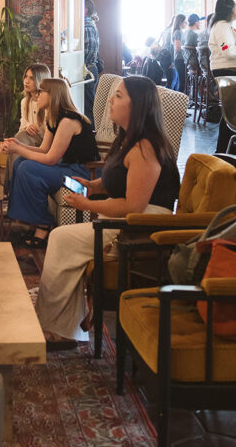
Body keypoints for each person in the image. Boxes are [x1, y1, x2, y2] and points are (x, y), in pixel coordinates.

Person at [35, 75, 180, 348]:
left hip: (140, 227)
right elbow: (119, 178)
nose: (111, 101)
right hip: (124, 219)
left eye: (119, 96)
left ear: (138, 107)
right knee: (63, 239)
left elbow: (132, 206)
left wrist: (87, 204)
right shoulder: (129, 139)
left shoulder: (146, 147)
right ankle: (62, 323)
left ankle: (59, 329)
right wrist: (93, 184)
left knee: (60, 239)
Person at [3, 78, 99, 247]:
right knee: (20, 163)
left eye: (41, 92)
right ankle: (31, 221)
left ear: (53, 95)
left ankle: (43, 224)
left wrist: (17, 150)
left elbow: (51, 159)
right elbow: (43, 150)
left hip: (82, 171)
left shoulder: (68, 121)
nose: (37, 96)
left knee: (26, 167)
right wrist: (17, 145)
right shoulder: (53, 118)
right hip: (65, 166)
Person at [209, 0, 236, 153]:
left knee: (231, 110)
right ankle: (224, 149)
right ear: (231, 10)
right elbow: (229, 51)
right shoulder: (222, 27)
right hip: (230, 71)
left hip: (230, 71)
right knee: (231, 111)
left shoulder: (223, 27)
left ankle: (227, 149)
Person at [3, 63, 52, 186]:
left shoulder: (48, 102)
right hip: (29, 140)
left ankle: (10, 186)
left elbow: (51, 131)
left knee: (18, 140)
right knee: (15, 140)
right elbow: (22, 128)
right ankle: (11, 185)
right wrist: (27, 127)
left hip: (46, 142)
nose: (26, 81)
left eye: (32, 78)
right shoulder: (24, 102)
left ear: (40, 80)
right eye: (26, 77)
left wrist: (36, 129)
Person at [83, 0, 101, 124]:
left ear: (85, 10)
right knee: (87, 105)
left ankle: (92, 136)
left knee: (88, 107)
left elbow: (88, 52)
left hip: (87, 69)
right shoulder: (86, 25)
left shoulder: (87, 26)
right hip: (89, 68)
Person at [171, 13, 187, 92]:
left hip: (179, 59)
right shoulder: (178, 32)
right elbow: (178, 48)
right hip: (180, 59)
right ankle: (180, 101)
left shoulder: (178, 32)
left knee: (182, 81)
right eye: (185, 22)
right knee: (182, 81)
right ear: (181, 22)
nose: (186, 24)